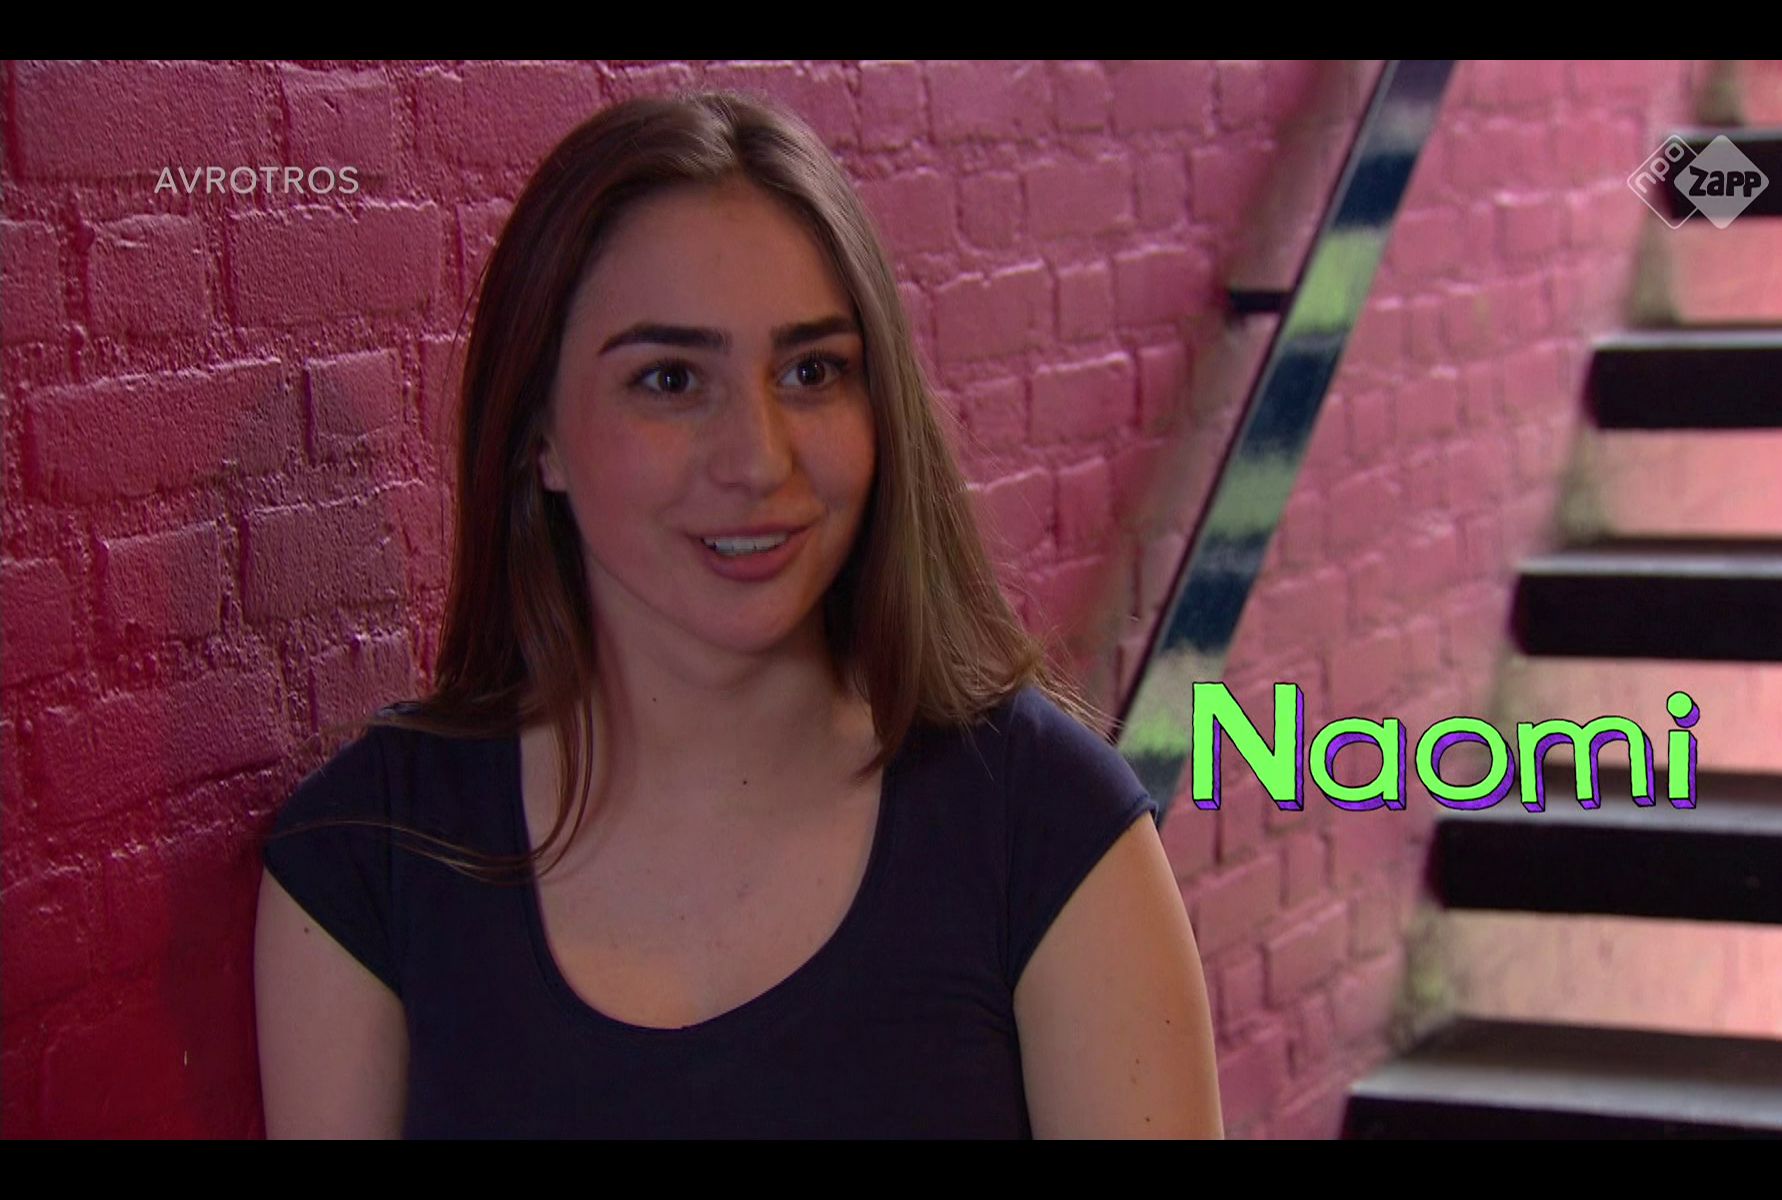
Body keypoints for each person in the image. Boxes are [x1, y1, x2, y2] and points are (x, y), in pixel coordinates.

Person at [253, 90, 1222, 1139]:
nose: (759, 460)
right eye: (671, 379)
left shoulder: (1047, 828)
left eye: (812, 372)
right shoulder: (369, 861)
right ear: (540, 437)